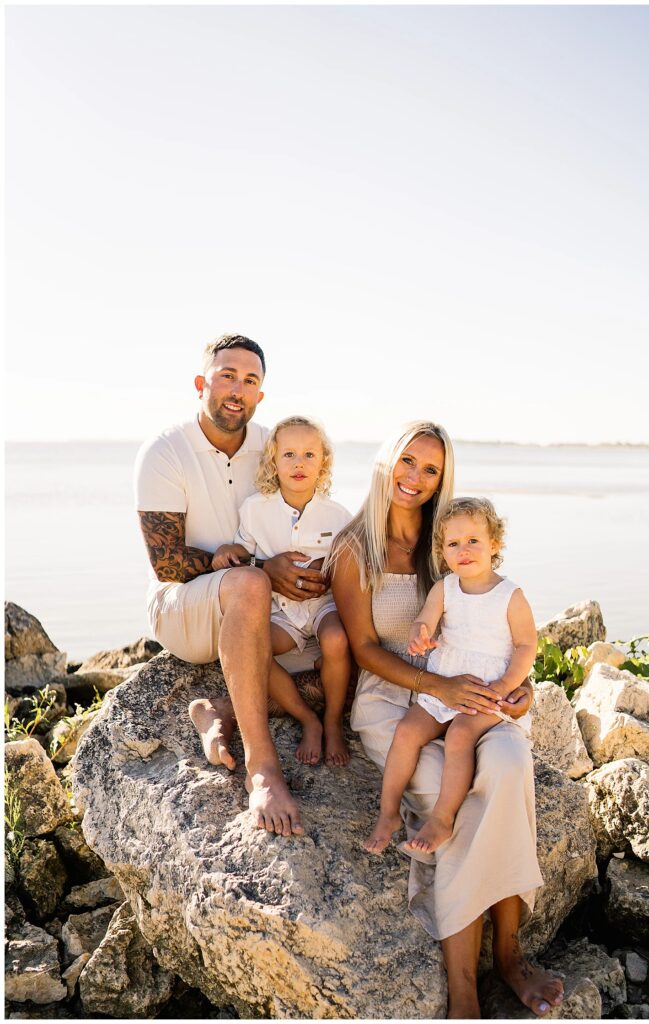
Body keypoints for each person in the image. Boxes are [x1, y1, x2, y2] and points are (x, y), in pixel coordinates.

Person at [329, 422, 564, 1019]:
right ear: (386, 462)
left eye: (430, 469)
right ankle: (465, 987)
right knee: (452, 801)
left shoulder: (455, 536)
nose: (415, 477)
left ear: (443, 480)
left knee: (509, 770)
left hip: (475, 697)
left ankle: (510, 957)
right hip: (398, 698)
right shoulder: (357, 547)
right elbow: (362, 648)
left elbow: (500, 638)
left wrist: (518, 693)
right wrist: (440, 685)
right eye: (406, 462)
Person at [134, 334, 326, 837]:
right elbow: (166, 563)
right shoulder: (165, 451)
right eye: (227, 376)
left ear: (261, 395)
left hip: (261, 610)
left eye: (250, 380)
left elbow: (315, 517)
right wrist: (263, 566)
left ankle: (219, 710)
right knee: (248, 585)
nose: (237, 389)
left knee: (341, 645)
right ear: (201, 384)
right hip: (183, 608)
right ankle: (262, 768)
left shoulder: (273, 445)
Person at [365, 496, 537, 861]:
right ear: (443, 553)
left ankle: (442, 818)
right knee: (408, 730)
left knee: (460, 734)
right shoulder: (445, 588)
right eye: (454, 544)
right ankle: (388, 812)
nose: (465, 550)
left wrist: (505, 686)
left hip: (490, 686)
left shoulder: (510, 595)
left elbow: (526, 646)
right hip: (446, 677)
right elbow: (425, 619)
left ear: (495, 544)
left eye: (474, 541)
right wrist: (420, 634)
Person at [215, 415, 352, 766]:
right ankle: (308, 718)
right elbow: (243, 552)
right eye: (289, 454)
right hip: (281, 610)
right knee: (255, 649)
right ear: (274, 460)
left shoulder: (338, 515)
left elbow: (350, 563)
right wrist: (227, 553)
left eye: (309, 455)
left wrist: (328, 569)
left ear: (323, 463)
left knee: (337, 640)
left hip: (322, 605)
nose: (299, 463)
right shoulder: (255, 509)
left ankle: (333, 721)